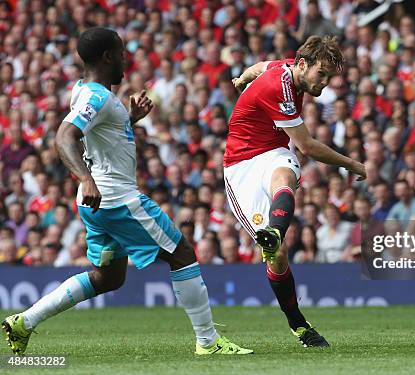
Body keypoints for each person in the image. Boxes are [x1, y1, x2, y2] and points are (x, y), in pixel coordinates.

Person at [2, 27, 251, 356]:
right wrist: (85, 178)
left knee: (108, 278)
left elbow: (97, 135)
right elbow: (64, 136)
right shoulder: (97, 97)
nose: (125, 59)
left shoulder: (86, 91)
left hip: (95, 205)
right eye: (121, 53)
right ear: (107, 57)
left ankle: (24, 322)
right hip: (115, 198)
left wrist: (127, 120)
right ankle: (208, 342)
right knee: (182, 254)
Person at [226, 35, 366, 347]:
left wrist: (241, 79)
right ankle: (298, 323)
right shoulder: (280, 87)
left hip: (273, 152)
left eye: (330, 77)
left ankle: (274, 232)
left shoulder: (285, 69)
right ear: (302, 64)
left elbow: (260, 66)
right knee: (278, 257)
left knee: (284, 175)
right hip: (241, 167)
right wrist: (353, 164)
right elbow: (308, 146)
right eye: (322, 74)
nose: (326, 83)